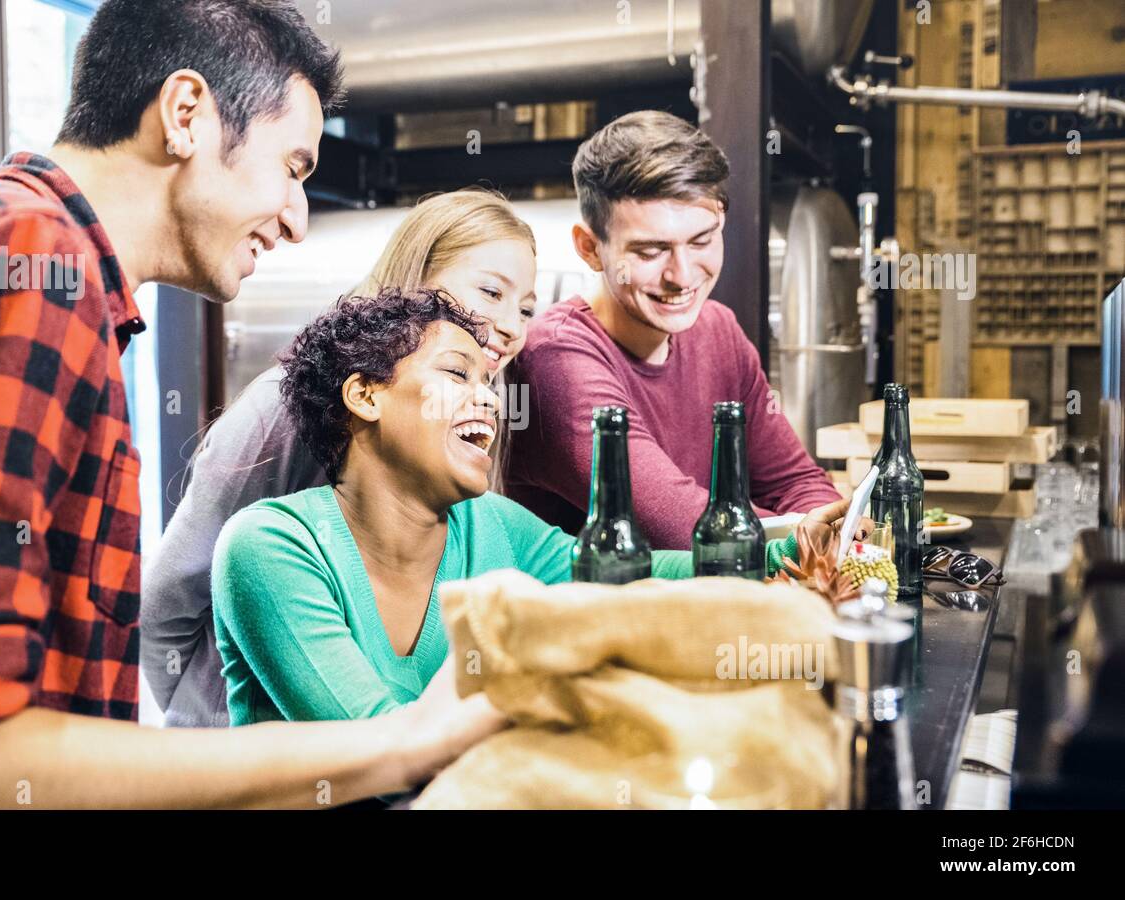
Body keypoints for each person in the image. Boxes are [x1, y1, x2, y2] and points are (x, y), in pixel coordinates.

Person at [0, 0, 502, 811]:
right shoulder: (24, 263)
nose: (295, 219)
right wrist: (402, 743)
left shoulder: (28, 263)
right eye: (292, 167)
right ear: (185, 115)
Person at [212, 289, 854, 725]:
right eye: (458, 374)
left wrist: (802, 544)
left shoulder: (494, 525)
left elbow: (641, 574)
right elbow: (381, 748)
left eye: (489, 384)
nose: (489, 401)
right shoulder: (271, 547)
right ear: (365, 396)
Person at [142, 189, 538, 727]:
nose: (512, 324)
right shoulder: (278, 407)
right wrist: (206, 726)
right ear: (417, 278)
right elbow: (168, 601)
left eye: (527, 308)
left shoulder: (466, 423)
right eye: (491, 292)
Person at [506, 110, 844, 551]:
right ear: (590, 248)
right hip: (593, 617)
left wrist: (836, 524)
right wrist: (814, 531)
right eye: (650, 251)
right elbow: (677, 525)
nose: (682, 276)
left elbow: (794, 482)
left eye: (702, 241)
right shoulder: (555, 359)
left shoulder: (717, 330)